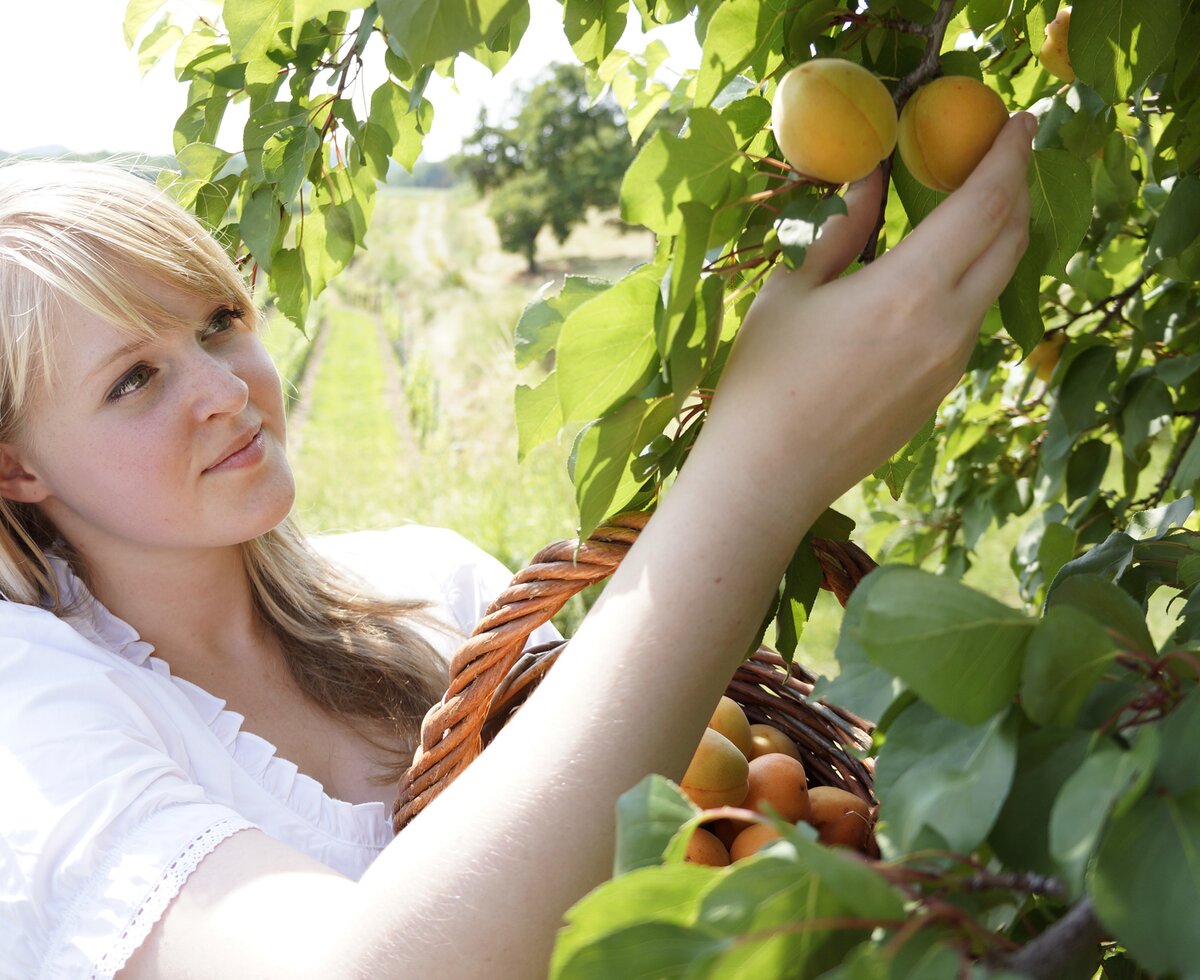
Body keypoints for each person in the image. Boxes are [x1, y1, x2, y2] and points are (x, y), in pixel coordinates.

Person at [0, 106, 1034, 979]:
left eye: (221, 321)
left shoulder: (435, 583)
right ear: (16, 468)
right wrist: (757, 473)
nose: (228, 393)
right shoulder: (31, 714)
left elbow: (668, 809)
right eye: (133, 379)